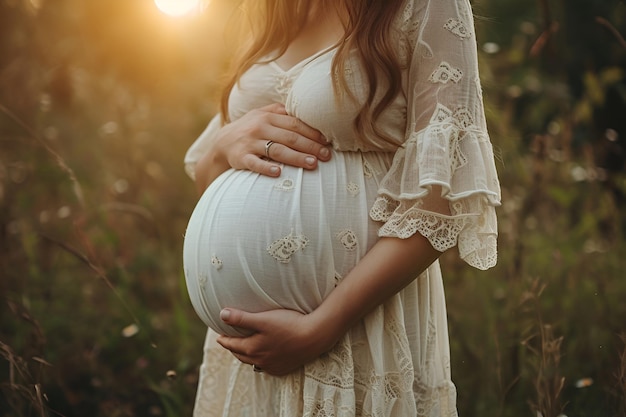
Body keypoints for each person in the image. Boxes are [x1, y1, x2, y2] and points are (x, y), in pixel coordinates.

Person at [182, 0, 500, 415]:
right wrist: (225, 147)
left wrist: (320, 328)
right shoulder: (278, 9)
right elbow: (209, 178)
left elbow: (438, 205)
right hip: (247, 358)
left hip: (355, 328)